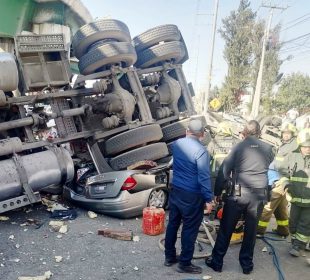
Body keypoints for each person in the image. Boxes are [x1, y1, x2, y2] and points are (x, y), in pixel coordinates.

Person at [206, 120, 274, 274]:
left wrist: (217, 192)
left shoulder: (239, 146)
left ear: (245, 131)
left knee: (226, 228)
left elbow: (224, 171)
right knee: (251, 231)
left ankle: (216, 262)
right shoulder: (268, 148)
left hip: (239, 193)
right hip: (259, 195)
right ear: (259, 132)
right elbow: (269, 168)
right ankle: (247, 265)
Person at [164, 119, 213, 274]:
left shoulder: (177, 144)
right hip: (192, 195)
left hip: (176, 190)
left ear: (187, 131)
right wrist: (208, 199)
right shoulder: (201, 151)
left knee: (173, 223)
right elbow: (204, 177)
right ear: (202, 134)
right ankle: (184, 264)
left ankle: (169, 257)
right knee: (189, 229)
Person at [257, 122, 298, 237]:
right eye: (284, 133)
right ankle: (283, 230)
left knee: (268, 206)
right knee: (281, 207)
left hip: (280, 180)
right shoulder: (285, 145)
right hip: (280, 179)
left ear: (292, 134)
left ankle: (258, 230)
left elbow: (287, 166)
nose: (285, 135)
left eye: (288, 133)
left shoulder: (293, 146)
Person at [275, 128, 310, 257]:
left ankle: (299, 246)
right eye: (305, 146)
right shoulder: (292, 156)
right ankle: (296, 242)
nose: (308, 149)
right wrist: (285, 184)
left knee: (305, 224)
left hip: (309, 200)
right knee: (293, 222)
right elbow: (283, 171)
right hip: (295, 198)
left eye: (309, 147)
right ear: (300, 146)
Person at [207, 121, 239, 191]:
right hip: (230, 175)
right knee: (231, 195)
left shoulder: (213, 142)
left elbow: (207, 159)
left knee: (214, 194)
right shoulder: (236, 142)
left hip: (215, 174)